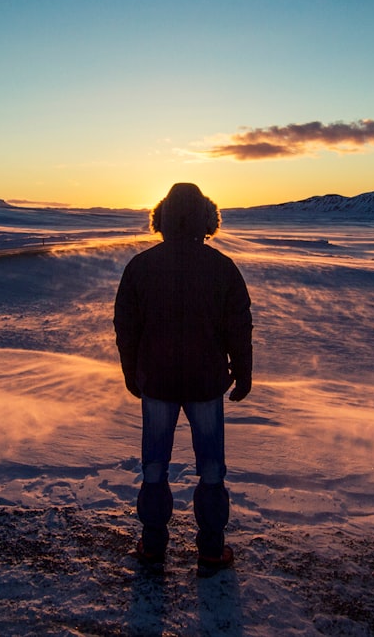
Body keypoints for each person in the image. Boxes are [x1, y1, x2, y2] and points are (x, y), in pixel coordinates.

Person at [113, 183, 253, 575]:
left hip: (156, 381)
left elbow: (126, 327)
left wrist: (132, 372)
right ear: (208, 218)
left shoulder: (141, 266)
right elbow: (239, 326)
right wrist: (242, 373)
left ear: (162, 218)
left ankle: (154, 545)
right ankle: (210, 548)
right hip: (206, 383)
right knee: (210, 468)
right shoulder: (221, 266)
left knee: (155, 466)